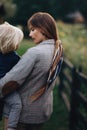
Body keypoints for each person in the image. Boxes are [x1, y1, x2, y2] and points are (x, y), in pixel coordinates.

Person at [0, 12, 63, 130]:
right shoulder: (58, 50)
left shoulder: (35, 53)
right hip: (42, 110)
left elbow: (11, 81)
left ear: (42, 28)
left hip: (23, 113)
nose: (30, 34)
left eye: (33, 29)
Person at [0, 22, 24, 130]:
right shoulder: (14, 57)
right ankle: (11, 127)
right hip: (5, 87)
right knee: (16, 104)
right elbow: (24, 67)